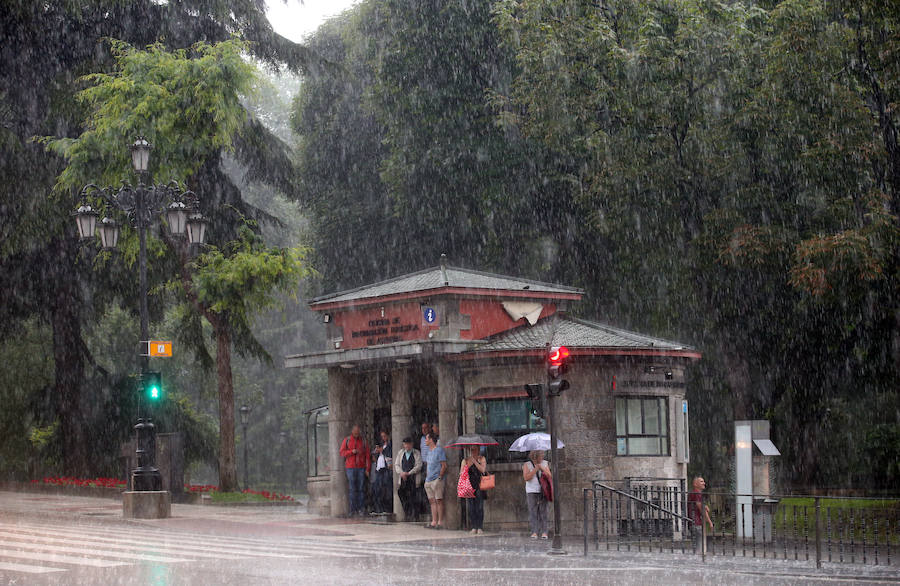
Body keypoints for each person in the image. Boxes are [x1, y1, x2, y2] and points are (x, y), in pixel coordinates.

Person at [339, 425, 370, 516]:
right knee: (352, 489)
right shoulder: (347, 440)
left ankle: (361, 509)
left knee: (361, 489)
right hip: (350, 467)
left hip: (361, 467)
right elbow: (342, 452)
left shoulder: (363, 441)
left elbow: (367, 455)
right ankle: (353, 510)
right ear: (352, 431)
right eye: (355, 431)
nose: (357, 433)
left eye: (358, 431)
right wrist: (351, 452)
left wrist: (367, 469)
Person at [459, 445, 487, 534]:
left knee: (479, 506)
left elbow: (483, 470)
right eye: (472, 449)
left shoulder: (482, 459)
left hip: (480, 485)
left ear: (478, 449)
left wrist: (475, 461)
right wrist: (467, 464)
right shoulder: (466, 460)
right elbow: (462, 473)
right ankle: (474, 526)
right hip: (469, 485)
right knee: (471, 506)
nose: (473, 451)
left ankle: (480, 526)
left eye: (475, 449)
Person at [523, 450, 551, 539]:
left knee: (543, 511)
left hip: (543, 490)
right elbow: (526, 478)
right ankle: (534, 531)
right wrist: (535, 469)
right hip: (531, 491)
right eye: (541, 455)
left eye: (543, 455)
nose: (542, 457)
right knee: (533, 512)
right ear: (535, 456)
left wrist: (542, 468)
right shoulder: (527, 464)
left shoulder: (545, 463)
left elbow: (549, 476)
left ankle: (544, 532)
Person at [422, 432, 447, 529]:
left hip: (436, 479)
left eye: (427, 439)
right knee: (432, 501)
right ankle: (434, 521)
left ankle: (440, 522)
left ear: (431, 439)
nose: (426, 440)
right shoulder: (429, 452)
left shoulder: (439, 450)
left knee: (439, 500)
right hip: (428, 479)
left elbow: (444, 465)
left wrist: (440, 477)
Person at [394, 436, 423, 520]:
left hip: (412, 477)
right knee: (402, 493)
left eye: (408, 444)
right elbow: (397, 465)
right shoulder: (401, 453)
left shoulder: (416, 453)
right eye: (405, 444)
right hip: (403, 478)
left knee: (414, 496)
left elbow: (419, 465)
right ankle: (408, 513)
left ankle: (415, 515)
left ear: (411, 444)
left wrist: (409, 473)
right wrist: (402, 473)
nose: (406, 446)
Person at [689, 476, 714, 553]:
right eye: (701, 481)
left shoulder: (696, 493)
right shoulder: (697, 493)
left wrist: (705, 506)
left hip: (695, 522)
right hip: (696, 522)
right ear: (695, 484)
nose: (704, 483)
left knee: (698, 545)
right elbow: (701, 508)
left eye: (703, 481)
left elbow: (700, 506)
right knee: (699, 547)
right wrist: (710, 522)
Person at [371, 430, 393, 514]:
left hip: (386, 469)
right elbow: (374, 456)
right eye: (382, 436)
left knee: (386, 489)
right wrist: (376, 452)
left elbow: (389, 454)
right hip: (379, 469)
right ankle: (377, 508)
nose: (383, 438)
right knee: (377, 489)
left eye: (384, 436)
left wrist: (382, 451)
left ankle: (386, 508)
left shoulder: (390, 445)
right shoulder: (381, 445)